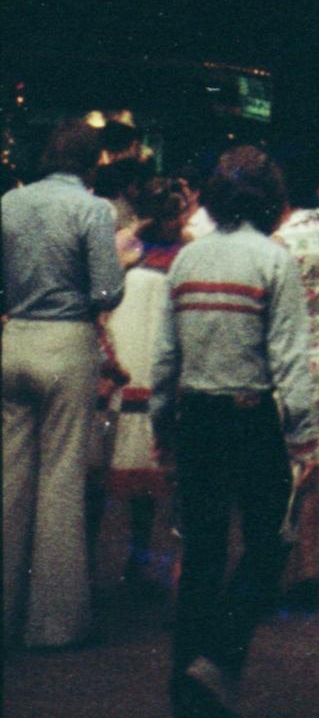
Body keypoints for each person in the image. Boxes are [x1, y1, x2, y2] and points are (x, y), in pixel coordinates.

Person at [150, 146, 315, 718]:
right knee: (270, 543)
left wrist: (161, 425)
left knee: (200, 554)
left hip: (196, 417)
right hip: (253, 420)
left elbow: (165, 355)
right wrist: (304, 433)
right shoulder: (276, 261)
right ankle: (218, 658)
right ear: (271, 199)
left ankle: (188, 703)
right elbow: (291, 358)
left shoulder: (188, 260)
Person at [2, 116, 126, 649]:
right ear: (92, 159)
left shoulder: (8, 204)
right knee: (60, 484)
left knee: (9, 482)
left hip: (13, 341)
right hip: (66, 344)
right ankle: (53, 624)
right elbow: (107, 292)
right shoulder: (93, 209)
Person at [102, 178, 188, 597]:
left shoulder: (123, 250)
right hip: (153, 365)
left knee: (107, 474)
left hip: (124, 362)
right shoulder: (182, 256)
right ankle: (137, 562)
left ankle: (121, 564)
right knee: (149, 482)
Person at [273, 151, 319, 610]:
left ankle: (268, 567)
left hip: (281, 359)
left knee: (273, 469)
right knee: (311, 468)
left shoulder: (274, 244)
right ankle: (308, 570)